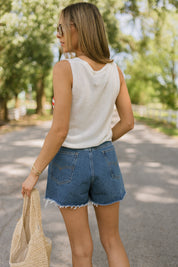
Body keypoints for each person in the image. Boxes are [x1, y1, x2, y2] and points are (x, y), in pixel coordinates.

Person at [21, 2, 134, 267]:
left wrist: (34, 172)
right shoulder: (115, 71)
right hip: (106, 159)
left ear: (77, 28)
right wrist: (100, 137)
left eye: (61, 28)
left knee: (81, 249)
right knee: (113, 241)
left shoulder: (64, 69)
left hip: (70, 162)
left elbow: (60, 131)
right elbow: (128, 122)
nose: (57, 34)